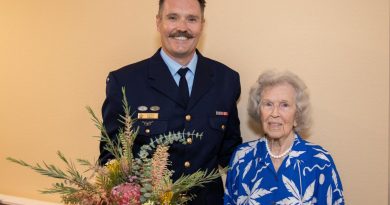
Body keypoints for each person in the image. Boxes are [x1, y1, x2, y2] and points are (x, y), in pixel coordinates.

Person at [99, 0, 242, 204]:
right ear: (158, 23)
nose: (182, 27)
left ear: (202, 24)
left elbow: (232, 155)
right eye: (172, 17)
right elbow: (111, 161)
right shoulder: (125, 82)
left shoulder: (226, 80)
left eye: (191, 19)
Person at [224, 70, 344, 205]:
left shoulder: (320, 162)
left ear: (297, 115)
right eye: (268, 104)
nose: (274, 113)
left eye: (284, 105)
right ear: (259, 111)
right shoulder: (242, 157)